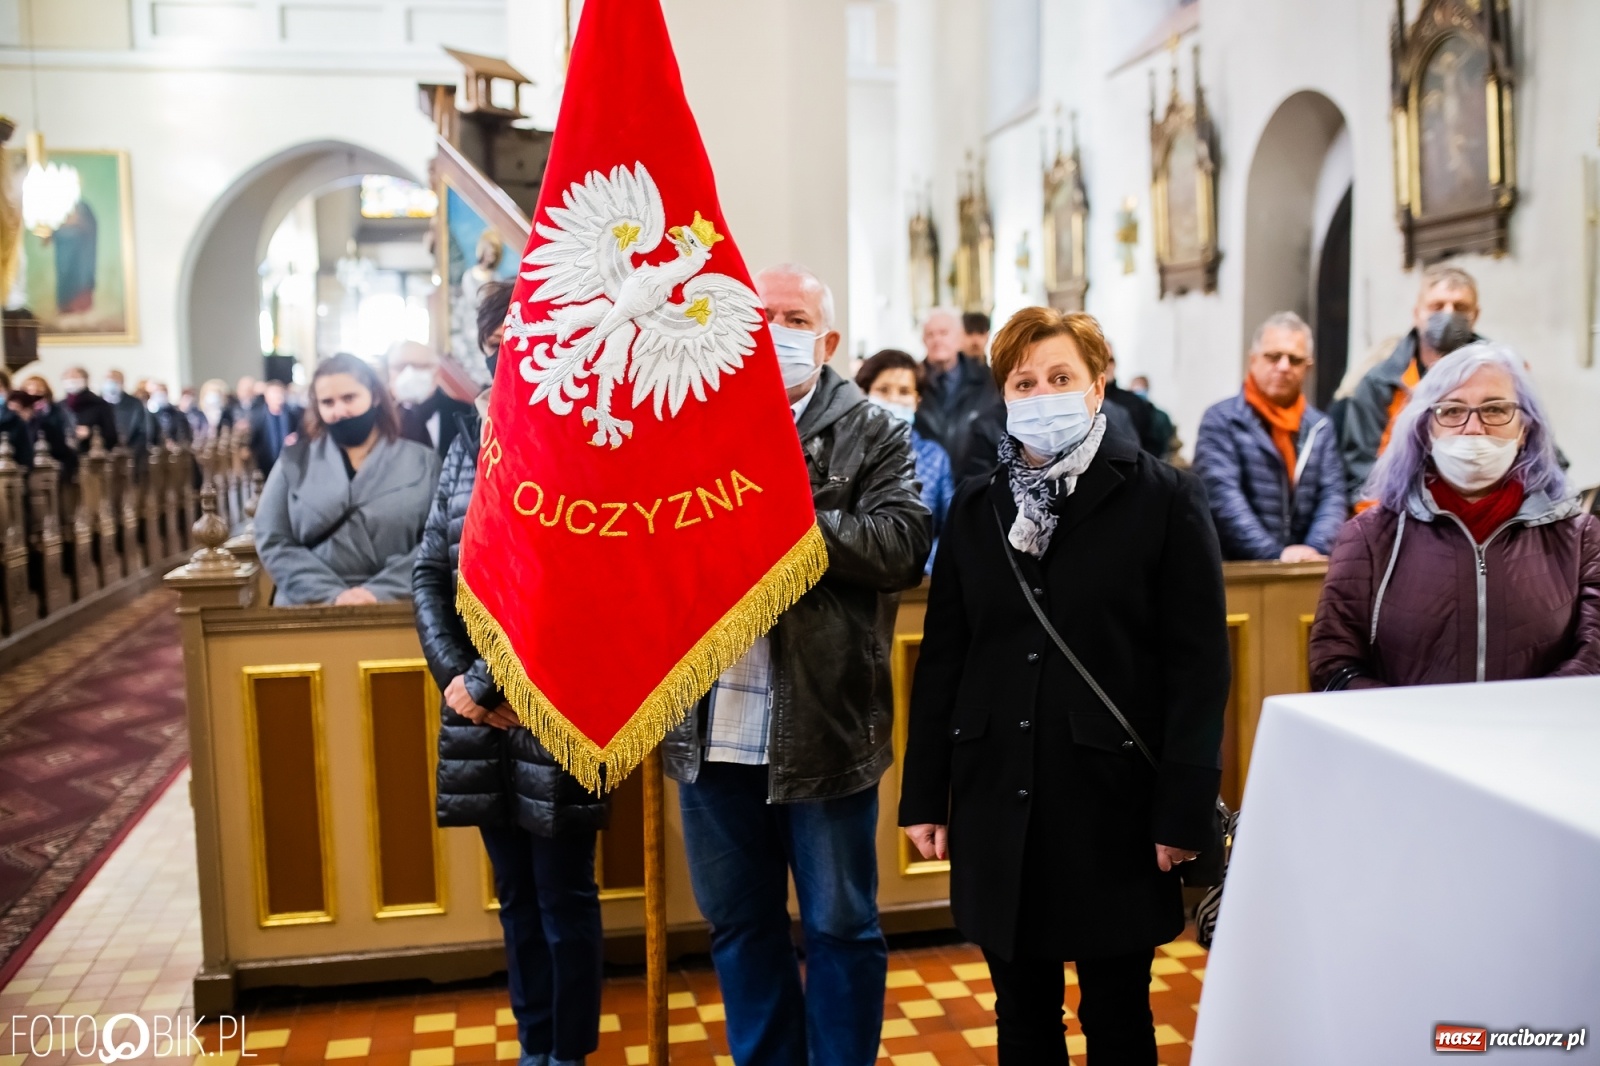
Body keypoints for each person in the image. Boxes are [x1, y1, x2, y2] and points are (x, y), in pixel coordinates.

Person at [898, 306, 1229, 1065]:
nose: (1042, 391)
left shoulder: (1163, 498)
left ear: (1097, 384)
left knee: (1116, 1012)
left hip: (1113, 802)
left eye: (1060, 377)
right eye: (1024, 380)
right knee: (1020, 1014)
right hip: (996, 794)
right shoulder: (980, 508)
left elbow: (1198, 667)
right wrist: (925, 795)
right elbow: (946, 659)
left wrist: (1182, 810)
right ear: (1004, 395)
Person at [662, 263, 931, 1066]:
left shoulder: (875, 430)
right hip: (709, 731)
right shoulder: (691, 422)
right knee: (740, 927)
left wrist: (780, 514)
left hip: (824, 727)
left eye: (791, 317)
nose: (772, 330)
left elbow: (902, 546)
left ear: (827, 339)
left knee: (841, 926)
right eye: (759, 316)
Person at [413, 278, 606, 1066]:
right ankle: (535, 1049)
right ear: (492, 344)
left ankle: (570, 1054)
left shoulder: (581, 436)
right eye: (504, 334)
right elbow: (429, 568)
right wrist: (458, 678)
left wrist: (492, 682)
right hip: (474, 711)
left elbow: (577, 576)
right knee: (517, 900)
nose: (517, 346)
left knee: (564, 898)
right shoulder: (464, 440)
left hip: (552, 707)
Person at [1310, 342, 1600, 689]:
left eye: (1495, 410)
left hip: (1536, 737)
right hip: (1407, 737)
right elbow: (1333, 663)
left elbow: (1594, 654)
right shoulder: (1369, 537)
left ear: (1525, 429)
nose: (1473, 428)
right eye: (1451, 411)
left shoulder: (1580, 537)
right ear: (1426, 430)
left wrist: (1520, 718)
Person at [256, 353, 440, 606]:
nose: (339, 411)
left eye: (349, 398)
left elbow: (438, 539)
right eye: (327, 402)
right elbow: (273, 538)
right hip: (308, 606)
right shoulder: (294, 461)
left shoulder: (423, 461)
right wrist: (332, 594)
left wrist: (379, 592)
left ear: (375, 396)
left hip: (400, 604)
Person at [1193, 312, 1348, 562]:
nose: (1284, 366)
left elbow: (1332, 495)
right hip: (1238, 569)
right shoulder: (1222, 420)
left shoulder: (1320, 426)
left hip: (1306, 566)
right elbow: (1223, 497)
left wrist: (1315, 550)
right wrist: (1275, 555)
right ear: (1253, 361)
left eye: (1295, 360)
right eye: (1274, 357)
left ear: (1308, 368)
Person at [1340, 264, 1480, 501]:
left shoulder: (1503, 376)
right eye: (1437, 306)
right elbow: (1361, 473)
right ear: (1417, 314)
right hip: (1398, 513)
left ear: (1475, 315)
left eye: (1460, 307)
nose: (1448, 315)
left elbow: (1537, 458)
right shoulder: (1380, 383)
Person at [855, 348, 954, 573]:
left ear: (917, 400)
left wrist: (917, 562)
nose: (894, 399)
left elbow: (951, 530)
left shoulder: (934, 457)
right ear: (865, 394)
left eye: (904, 391)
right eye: (883, 390)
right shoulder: (847, 453)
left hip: (917, 585)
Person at [914, 306, 1003, 475]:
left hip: (976, 482)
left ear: (959, 336)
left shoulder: (988, 381)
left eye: (943, 333)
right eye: (930, 335)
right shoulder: (913, 383)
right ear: (923, 340)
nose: (937, 340)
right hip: (927, 485)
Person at [389, 339, 473, 458]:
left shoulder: (466, 414)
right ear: (389, 372)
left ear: (437, 373)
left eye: (419, 366)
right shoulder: (379, 417)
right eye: (400, 367)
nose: (409, 372)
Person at [1103, 350, 1174, 460]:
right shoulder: (1084, 402)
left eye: (1110, 360)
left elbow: (1151, 444)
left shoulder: (1134, 403)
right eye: (1100, 359)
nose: (1106, 365)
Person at [18, 377, 75, 476]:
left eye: (38, 391)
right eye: (29, 391)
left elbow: (63, 436)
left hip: (54, 457)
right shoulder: (18, 415)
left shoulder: (57, 411)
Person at [248, 379, 303, 475]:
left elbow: (301, 432)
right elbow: (253, 442)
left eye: (280, 393)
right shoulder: (258, 417)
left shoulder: (293, 415)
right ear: (266, 397)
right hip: (266, 465)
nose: (278, 397)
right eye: (274, 393)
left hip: (289, 463)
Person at [60, 366, 120, 453]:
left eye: (75, 377)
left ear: (85, 380)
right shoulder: (60, 406)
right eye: (68, 377)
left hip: (94, 456)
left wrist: (91, 433)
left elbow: (111, 434)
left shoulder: (100, 404)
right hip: (66, 455)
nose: (72, 380)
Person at [102, 370, 152, 455]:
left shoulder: (134, 404)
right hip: (104, 452)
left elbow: (142, 431)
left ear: (122, 383)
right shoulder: (99, 403)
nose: (111, 383)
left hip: (129, 451)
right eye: (109, 380)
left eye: (115, 380)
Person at [145, 381, 192, 446]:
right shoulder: (148, 415)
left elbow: (184, 433)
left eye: (162, 393)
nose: (160, 397)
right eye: (157, 393)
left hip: (176, 448)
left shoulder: (177, 414)